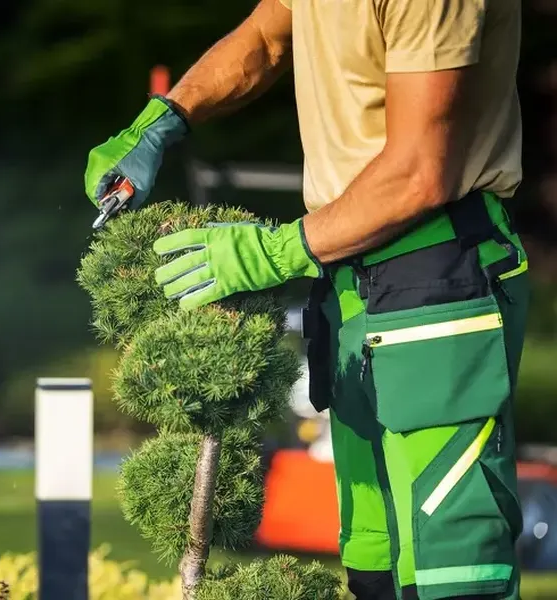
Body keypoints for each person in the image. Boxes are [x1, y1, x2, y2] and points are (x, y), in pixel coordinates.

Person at [83, 0, 527, 599]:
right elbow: (269, 36)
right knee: (373, 556)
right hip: (347, 277)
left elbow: (421, 173)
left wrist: (271, 253)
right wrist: (164, 118)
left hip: (438, 275)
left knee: (452, 562)